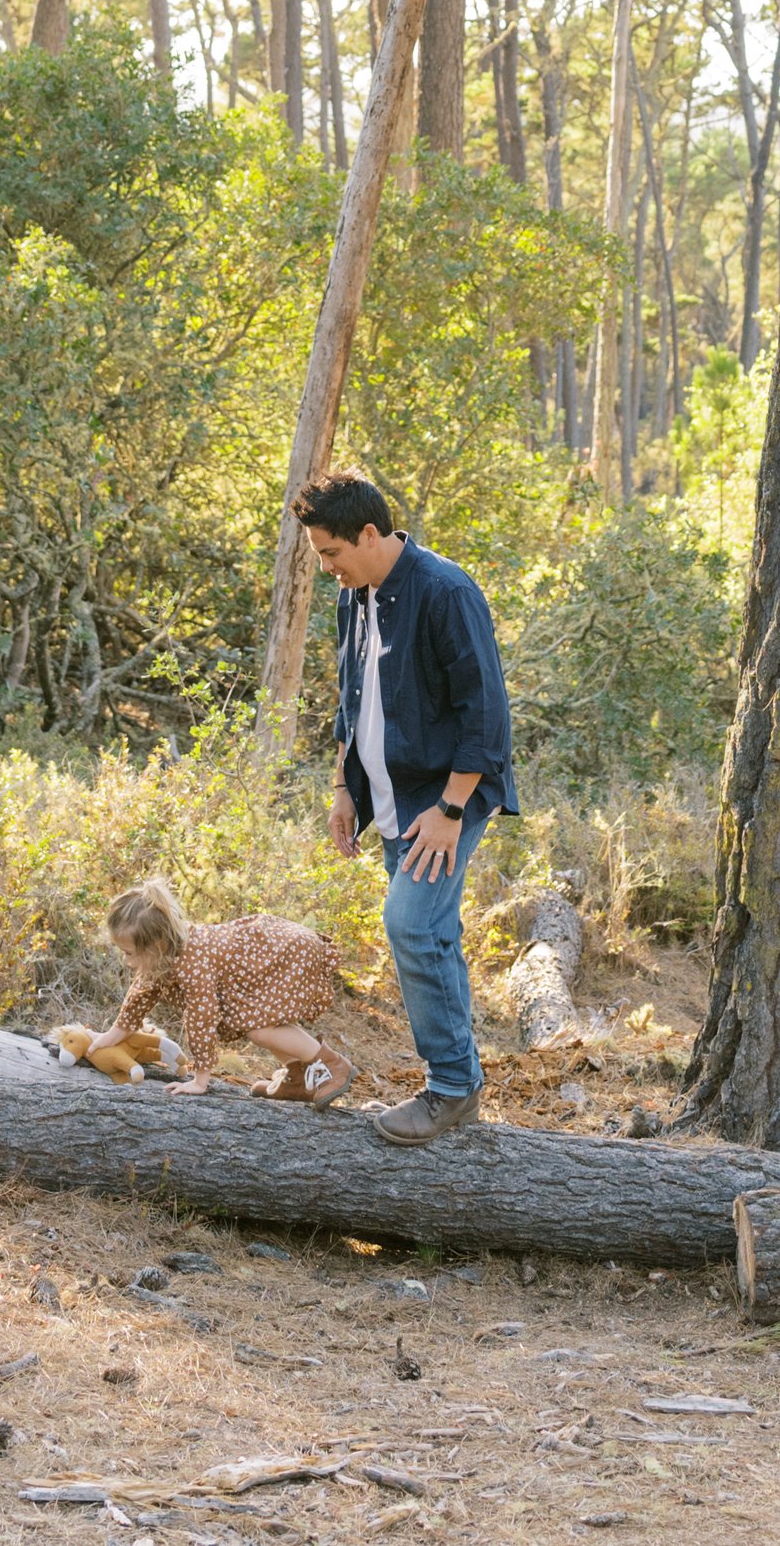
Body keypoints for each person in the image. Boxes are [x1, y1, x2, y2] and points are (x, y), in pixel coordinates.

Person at [294, 470, 515, 1147]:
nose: (328, 569)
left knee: (412, 926)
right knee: (434, 932)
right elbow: (351, 700)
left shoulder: (445, 590)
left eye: (332, 553)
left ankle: (450, 1088)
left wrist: (451, 808)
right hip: (389, 795)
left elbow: (486, 711)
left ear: (369, 533)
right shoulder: (353, 596)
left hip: (444, 797)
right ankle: (462, 1083)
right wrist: (342, 788)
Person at [95, 875, 358, 1106]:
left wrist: (200, 1080)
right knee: (257, 1023)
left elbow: (202, 1019)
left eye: (129, 953)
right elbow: (138, 999)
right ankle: (298, 1076)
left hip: (284, 952)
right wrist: (106, 1039)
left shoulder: (192, 963)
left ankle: (333, 1065)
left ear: (157, 945)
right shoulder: (162, 957)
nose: (127, 961)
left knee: (260, 1029)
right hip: (264, 958)